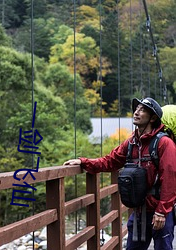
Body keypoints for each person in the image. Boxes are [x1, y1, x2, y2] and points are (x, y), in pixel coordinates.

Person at [63, 97, 176, 250]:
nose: (136, 112)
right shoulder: (131, 143)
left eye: (142, 110)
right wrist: (83, 162)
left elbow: (170, 178)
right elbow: (110, 161)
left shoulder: (164, 143)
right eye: (136, 109)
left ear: (153, 118)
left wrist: (162, 212)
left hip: (159, 211)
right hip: (139, 211)